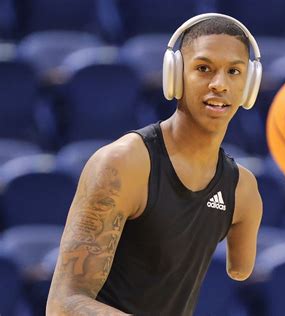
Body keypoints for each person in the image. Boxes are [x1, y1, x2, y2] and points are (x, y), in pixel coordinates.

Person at [46, 13, 263, 315]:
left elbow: (240, 269)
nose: (219, 84)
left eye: (234, 72)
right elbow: (63, 305)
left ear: (250, 85)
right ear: (174, 75)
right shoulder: (122, 164)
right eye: (203, 68)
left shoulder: (242, 190)